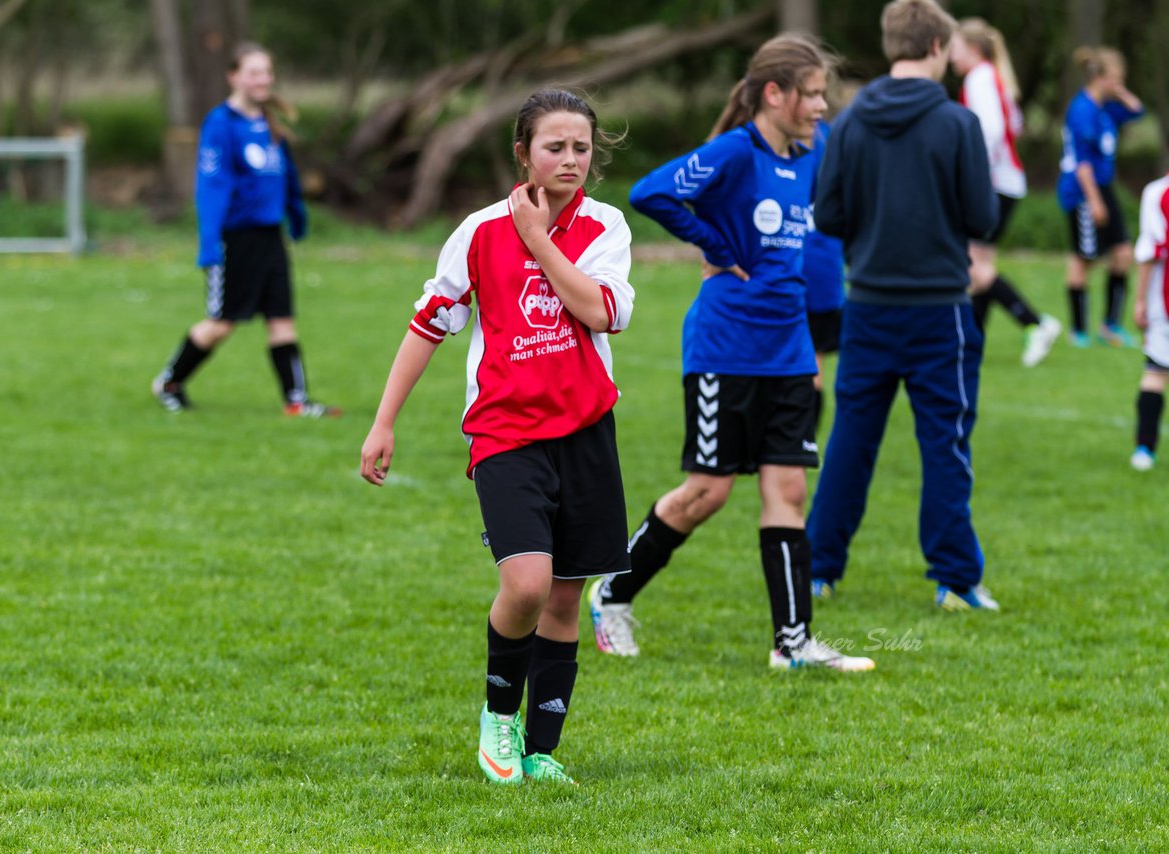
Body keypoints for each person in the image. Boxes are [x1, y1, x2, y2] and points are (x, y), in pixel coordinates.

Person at [360, 89, 634, 786]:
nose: (570, 159)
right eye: (554, 147)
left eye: (581, 147)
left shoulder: (606, 228)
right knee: (527, 584)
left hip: (586, 432)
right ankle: (496, 721)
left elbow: (601, 313)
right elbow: (428, 323)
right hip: (505, 433)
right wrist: (384, 420)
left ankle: (541, 748)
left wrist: (541, 242)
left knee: (567, 596)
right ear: (523, 154)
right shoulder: (480, 231)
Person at [587, 35, 875, 672]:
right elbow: (652, 191)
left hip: (791, 349)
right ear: (775, 94)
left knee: (788, 490)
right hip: (725, 348)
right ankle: (612, 591)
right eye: (814, 94)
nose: (823, 105)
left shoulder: (812, 153)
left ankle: (792, 644)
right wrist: (713, 242)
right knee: (707, 493)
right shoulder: (735, 151)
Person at [806, 0, 1001, 611]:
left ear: (892, 44)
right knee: (944, 441)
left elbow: (828, 213)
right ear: (940, 47)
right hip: (940, 307)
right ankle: (956, 580)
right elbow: (982, 217)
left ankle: (817, 570)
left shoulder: (850, 120)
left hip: (866, 304)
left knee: (850, 441)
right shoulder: (957, 123)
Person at [152, 43, 339, 417]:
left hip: (271, 237)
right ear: (234, 77)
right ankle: (170, 382)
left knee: (282, 320)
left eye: (267, 72)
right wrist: (209, 241)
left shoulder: (268, 122)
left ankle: (296, 402)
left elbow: (284, 174)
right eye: (254, 73)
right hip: (235, 239)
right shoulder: (221, 124)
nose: (263, 80)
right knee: (221, 324)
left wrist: (295, 210)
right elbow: (212, 187)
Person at [950, 18, 1061, 367]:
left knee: (974, 268)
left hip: (995, 184)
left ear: (973, 49)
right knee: (981, 266)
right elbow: (1014, 126)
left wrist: (972, 176)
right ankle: (972, 344)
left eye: (955, 47)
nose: (951, 56)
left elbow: (993, 131)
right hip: (1008, 182)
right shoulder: (994, 77)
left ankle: (1036, 323)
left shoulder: (979, 77)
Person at [1057, 46, 1144, 348]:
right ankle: (1078, 330)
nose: (1118, 84)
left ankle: (1110, 326)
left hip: (1104, 187)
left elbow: (1137, 110)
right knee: (1084, 259)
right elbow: (1081, 162)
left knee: (1123, 254)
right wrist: (1093, 201)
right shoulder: (1082, 110)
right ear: (1099, 77)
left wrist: (1119, 92)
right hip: (1084, 189)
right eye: (1115, 79)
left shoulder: (1106, 108)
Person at [805, 117, 846, 435]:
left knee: (809, 364)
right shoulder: (831, 135)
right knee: (813, 363)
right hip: (825, 265)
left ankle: (800, 441)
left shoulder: (811, 138)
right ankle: (802, 442)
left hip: (811, 265)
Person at [1130, 170, 1169, 470]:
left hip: (1164, 299)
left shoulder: (1158, 192)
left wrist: (1140, 299)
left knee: (1155, 372)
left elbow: (1150, 250)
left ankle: (1144, 449)